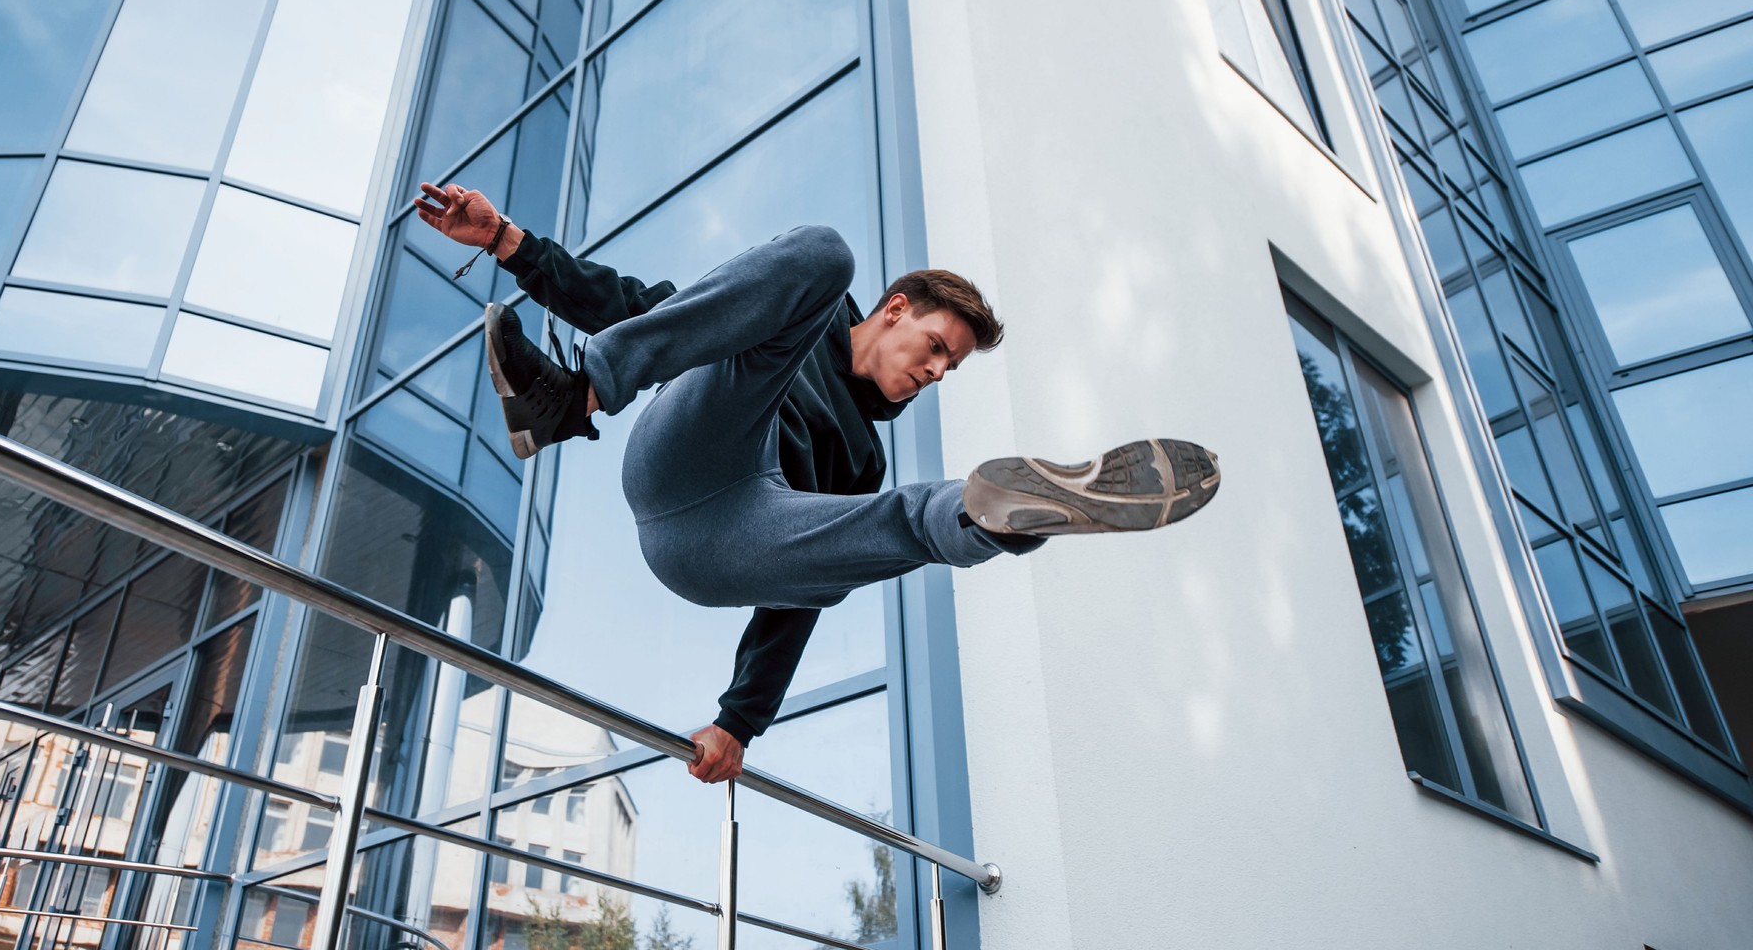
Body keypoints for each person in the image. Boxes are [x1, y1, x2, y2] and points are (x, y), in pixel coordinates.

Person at [414, 182, 1220, 783]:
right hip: (690, 451)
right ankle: (576, 393)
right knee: (822, 257)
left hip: (725, 544)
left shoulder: (862, 459)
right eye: (937, 347)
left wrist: (740, 721)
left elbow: (798, 590)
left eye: (951, 368)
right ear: (897, 310)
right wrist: (508, 241)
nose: (937, 372)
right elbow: (634, 304)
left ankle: (993, 519)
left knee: (897, 518)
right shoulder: (789, 316)